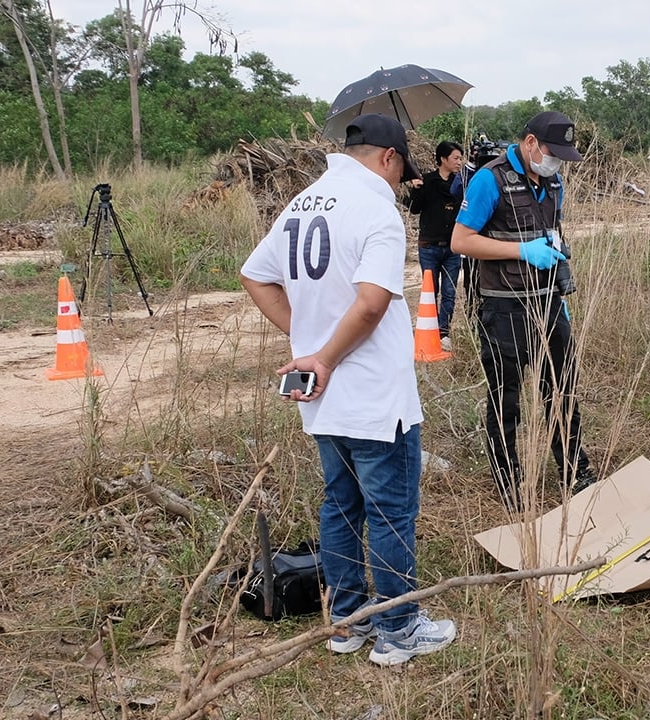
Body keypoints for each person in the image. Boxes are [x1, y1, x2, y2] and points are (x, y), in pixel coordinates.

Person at [239, 113, 455, 665]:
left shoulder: (303, 202)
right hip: (372, 395)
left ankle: (345, 623)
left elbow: (254, 275)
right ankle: (398, 630)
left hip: (323, 399)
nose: (399, 184)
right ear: (388, 157)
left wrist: (306, 340)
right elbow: (372, 302)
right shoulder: (375, 209)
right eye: (400, 171)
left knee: (339, 506)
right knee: (388, 511)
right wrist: (326, 356)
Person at [451, 110, 596, 510]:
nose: (556, 162)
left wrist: (558, 275)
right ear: (530, 143)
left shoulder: (554, 183)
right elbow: (460, 241)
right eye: (552, 152)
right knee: (506, 398)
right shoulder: (489, 180)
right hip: (504, 308)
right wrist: (520, 251)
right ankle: (510, 480)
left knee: (562, 391)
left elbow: (554, 233)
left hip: (549, 304)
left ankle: (575, 471)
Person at [406, 140, 465, 350]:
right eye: (456, 158)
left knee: (450, 291)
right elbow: (414, 208)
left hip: (453, 247)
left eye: (461, 158)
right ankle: (428, 330)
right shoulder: (427, 181)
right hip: (429, 246)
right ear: (443, 159)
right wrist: (416, 189)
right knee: (431, 290)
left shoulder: (461, 184)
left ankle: (443, 332)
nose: (459, 162)